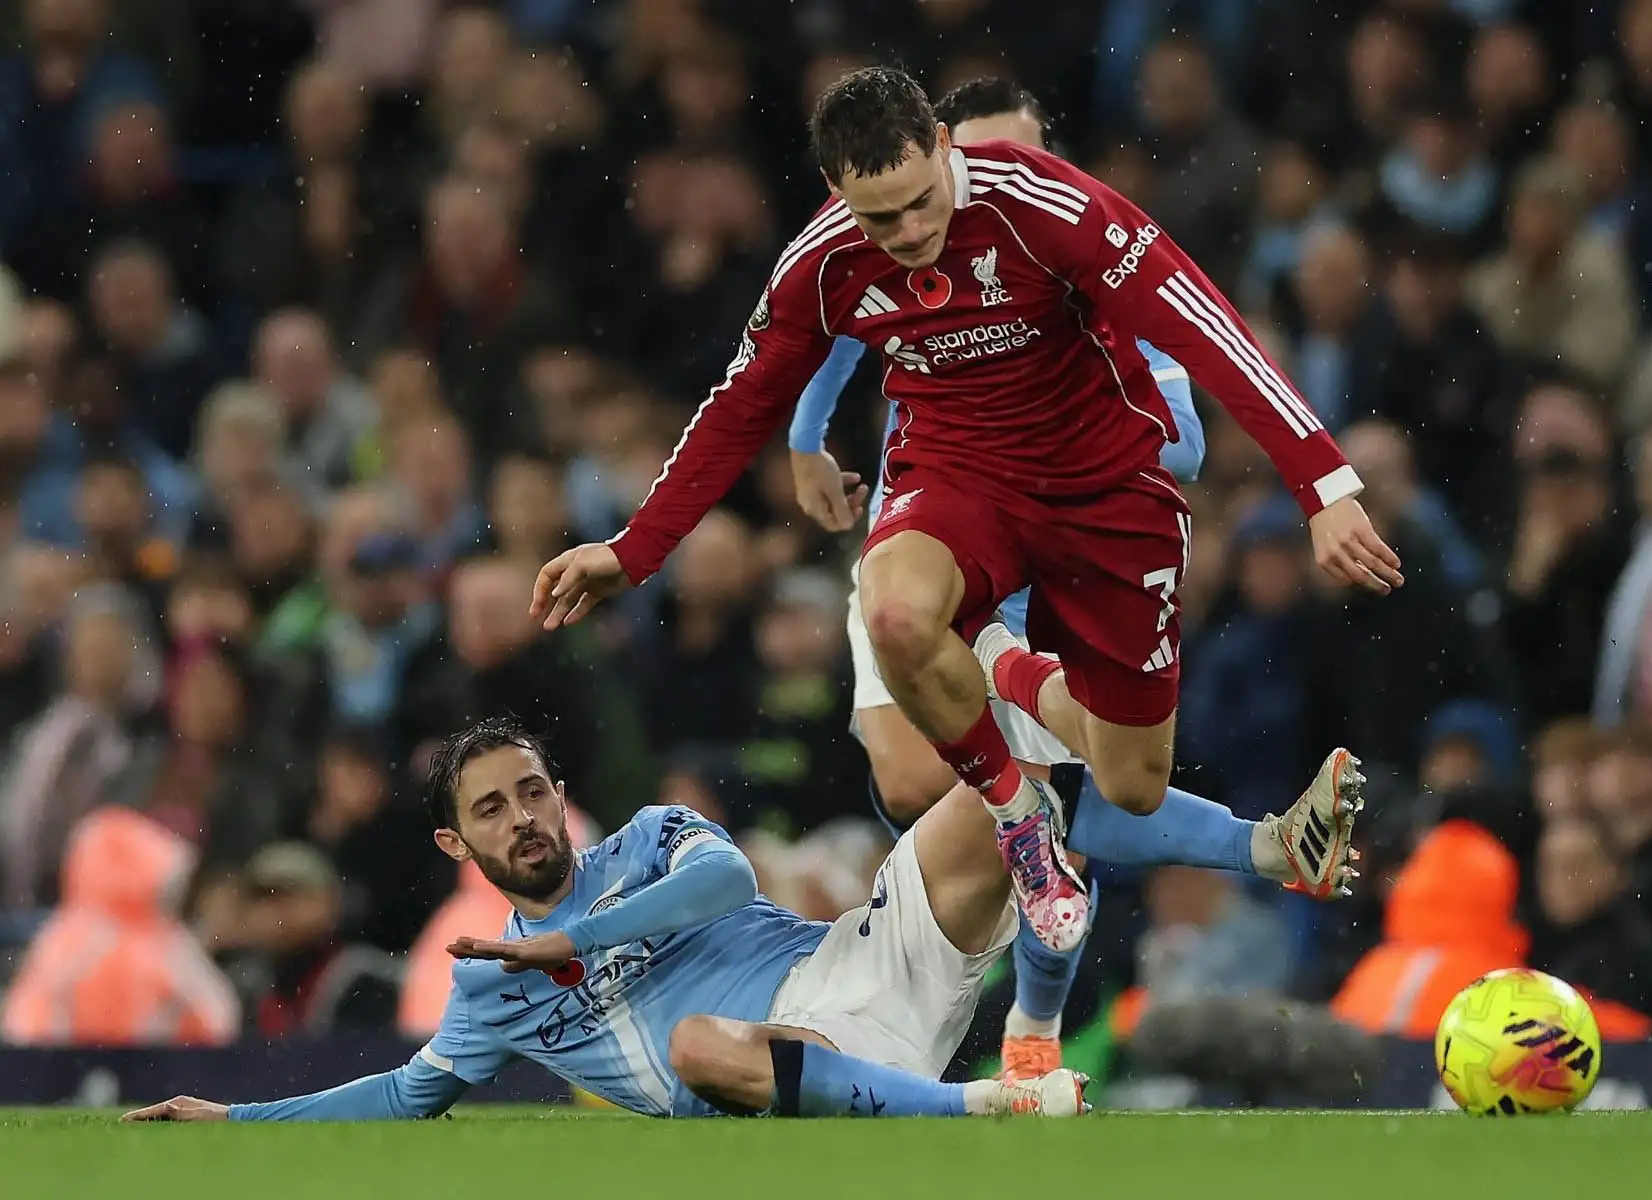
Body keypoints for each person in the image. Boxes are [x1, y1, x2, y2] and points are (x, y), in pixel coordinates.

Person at [530, 66, 1399, 957]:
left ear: (945, 147)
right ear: (836, 192)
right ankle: (1019, 823)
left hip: (1103, 489)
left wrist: (1323, 487)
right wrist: (636, 550)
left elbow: (1204, 324)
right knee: (895, 614)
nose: (908, 234)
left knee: (1130, 782)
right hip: (958, 478)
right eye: (880, 217)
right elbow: (739, 403)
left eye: (918, 203)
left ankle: (1016, 675)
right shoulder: (824, 261)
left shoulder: (1048, 204)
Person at [123, 717, 1364, 1123]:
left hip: (858, 962)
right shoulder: (489, 985)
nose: (524, 819)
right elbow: (407, 1093)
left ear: (560, 793)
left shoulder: (654, 837)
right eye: (493, 812)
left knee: (1013, 791)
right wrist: (237, 1116)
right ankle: (994, 1101)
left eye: (533, 791)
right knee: (701, 1047)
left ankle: (1269, 847)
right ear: (460, 845)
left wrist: (572, 941)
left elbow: (724, 889)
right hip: (779, 1064)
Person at [787, 77, 1208, 1084]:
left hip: (1058, 558)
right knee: (918, 778)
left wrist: (1077, 441)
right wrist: (806, 440)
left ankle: (1034, 1019)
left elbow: (1185, 434)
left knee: (1101, 782)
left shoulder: (1081, 258)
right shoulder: (896, 246)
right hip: (935, 534)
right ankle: (1033, 866)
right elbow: (829, 330)